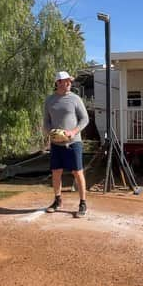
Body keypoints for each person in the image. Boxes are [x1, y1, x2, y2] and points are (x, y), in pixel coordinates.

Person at [43, 71, 89, 218]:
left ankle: (83, 204)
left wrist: (73, 132)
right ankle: (57, 201)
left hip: (73, 143)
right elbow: (46, 122)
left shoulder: (75, 99)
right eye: (66, 81)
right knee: (56, 172)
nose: (69, 83)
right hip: (56, 144)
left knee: (77, 172)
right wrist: (51, 132)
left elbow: (84, 119)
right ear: (58, 83)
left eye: (70, 81)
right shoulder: (49, 100)